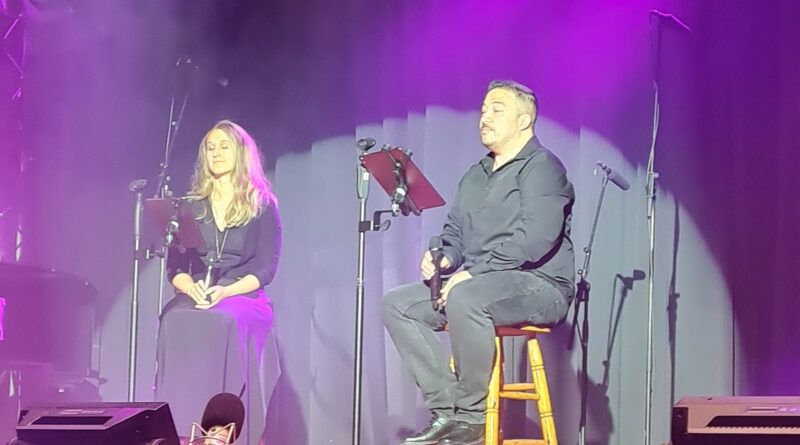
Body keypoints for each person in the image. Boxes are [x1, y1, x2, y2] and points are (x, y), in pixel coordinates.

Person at [381, 80, 575, 445]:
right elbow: (455, 233)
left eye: (497, 109)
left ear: (524, 120)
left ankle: (472, 418)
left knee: (466, 297)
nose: (485, 116)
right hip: (476, 286)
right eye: (484, 109)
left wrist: (471, 273)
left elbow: (536, 239)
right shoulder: (475, 175)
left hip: (541, 286)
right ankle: (448, 409)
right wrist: (444, 259)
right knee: (397, 305)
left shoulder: (543, 167)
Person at [155, 120, 281, 445]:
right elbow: (176, 268)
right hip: (199, 290)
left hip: (243, 294)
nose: (217, 153)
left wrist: (225, 290)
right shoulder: (191, 206)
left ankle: (221, 429)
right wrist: (190, 287)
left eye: (224, 146)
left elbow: (265, 269)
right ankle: (181, 430)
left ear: (240, 153)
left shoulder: (262, 205)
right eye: (210, 148)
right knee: (175, 318)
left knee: (222, 319)